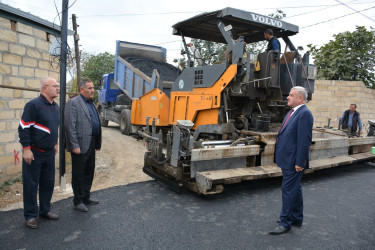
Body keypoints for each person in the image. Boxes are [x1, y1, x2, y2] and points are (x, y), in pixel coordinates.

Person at [270, 86, 313, 235]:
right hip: (287, 159)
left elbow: (304, 141)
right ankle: (296, 218)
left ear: (300, 98)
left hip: (293, 161)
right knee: (295, 189)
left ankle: (285, 222)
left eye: (291, 95)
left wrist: (300, 162)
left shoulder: (304, 114)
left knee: (288, 191)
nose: (287, 97)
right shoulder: (293, 112)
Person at [18, 77, 60, 229]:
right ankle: (30, 216)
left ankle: (44, 211)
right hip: (34, 153)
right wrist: (26, 149)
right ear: (44, 88)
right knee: (31, 185)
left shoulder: (56, 107)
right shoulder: (33, 105)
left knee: (48, 184)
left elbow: (55, 127)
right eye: (55, 86)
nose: (58, 88)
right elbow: (23, 128)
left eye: (58, 86)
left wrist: (55, 143)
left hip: (49, 154)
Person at [65, 78, 102, 212]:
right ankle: (78, 200)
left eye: (93, 88)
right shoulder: (73, 103)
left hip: (91, 142)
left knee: (89, 171)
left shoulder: (91, 103)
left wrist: (97, 142)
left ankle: (86, 196)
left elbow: (95, 122)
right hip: (80, 145)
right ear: (82, 90)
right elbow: (70, 126)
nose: (93, 90)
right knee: (79, 174)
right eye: (89, 88)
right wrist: (74, 145)